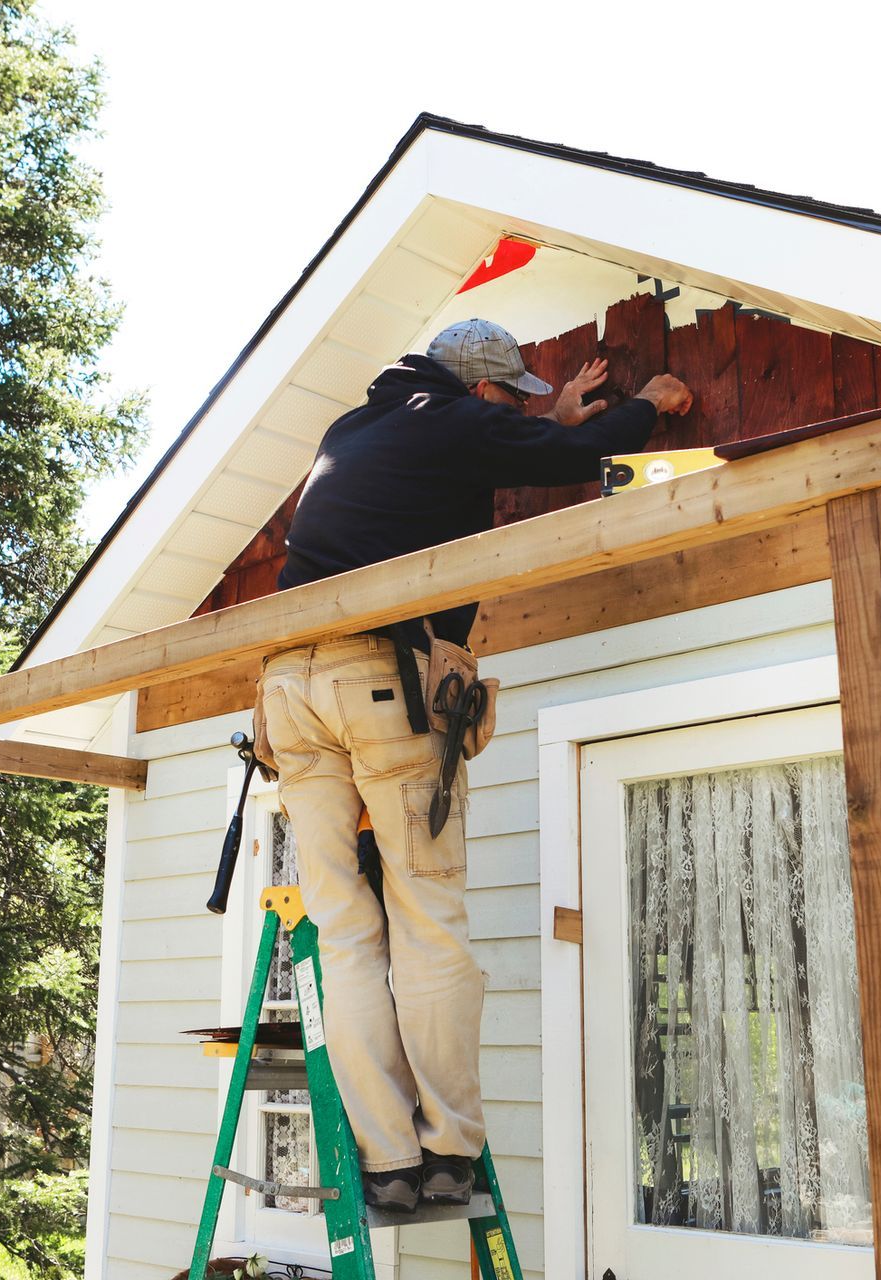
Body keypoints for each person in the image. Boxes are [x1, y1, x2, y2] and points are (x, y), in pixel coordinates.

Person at [257, 318, 692, 1212]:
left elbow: (511, 439)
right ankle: (448, 1151)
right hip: (379, 678)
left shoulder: (355, 427)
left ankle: (387, 1162)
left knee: (345, 937)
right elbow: (569, 456)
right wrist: (646, 405)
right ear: (482, 387)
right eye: (512, 396)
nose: (514, 410)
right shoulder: (451, 420)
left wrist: (549, 416)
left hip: (285, 691)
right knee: (428, 921)